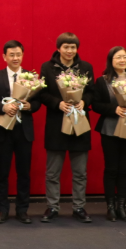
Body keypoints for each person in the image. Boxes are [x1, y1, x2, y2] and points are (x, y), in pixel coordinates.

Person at [38, 32, 95, 223]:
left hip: (79, 122)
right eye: (66, 47)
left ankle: (79, 207)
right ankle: (52, 206)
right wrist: (58, 103)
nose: (70, 51)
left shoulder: (86, 67)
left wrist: (84, 102)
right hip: (57, 123)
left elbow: (92, 92)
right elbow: (41, 93)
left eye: (73, 47)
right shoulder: (47, 67)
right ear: (58, 48)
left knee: (80, 172)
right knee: (53, 172)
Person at [0, 40, 42, 224]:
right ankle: (2, 209)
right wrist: (3, 107)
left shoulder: (30, 77)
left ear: (22, 55)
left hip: (24, 130)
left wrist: (29, 106)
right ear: (4, 57)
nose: (15, 58)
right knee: (2, 172)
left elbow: (38, 102)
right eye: (11, 55)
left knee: (23, 173)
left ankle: (22, 210)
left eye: (18, 54)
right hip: (3, 129)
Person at [93, 46, 126, 222]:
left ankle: (122, 206)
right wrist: (114, 109)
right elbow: (95, 104)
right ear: (111, 61)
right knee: (111, 168)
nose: (122, 60)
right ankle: (110, 207)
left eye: (125, 57)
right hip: (110, 128)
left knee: (124, 169)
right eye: (118, 57)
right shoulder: (102, 81)